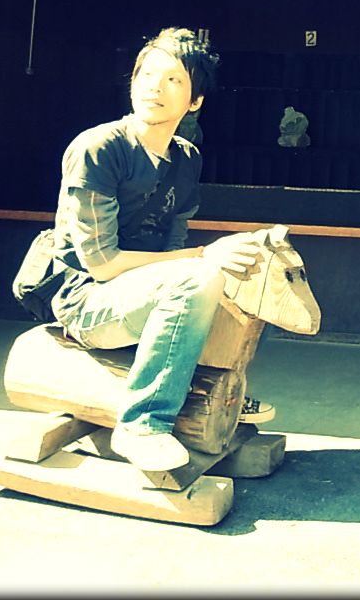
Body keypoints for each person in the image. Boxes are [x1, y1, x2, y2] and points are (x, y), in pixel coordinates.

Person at [47, 27, 274, 471]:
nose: (155, 86)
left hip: (143, 293)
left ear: (195, 101)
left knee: (243, 266)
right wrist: (202, 257)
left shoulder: (187, 158)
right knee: (202, 273)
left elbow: (174, 242)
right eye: (147, 74)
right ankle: (142, 424)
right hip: (86, 301)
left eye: (173, 79)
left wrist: (211, 259)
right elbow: (102, 264)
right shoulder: (99, 148)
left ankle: (215, 386)